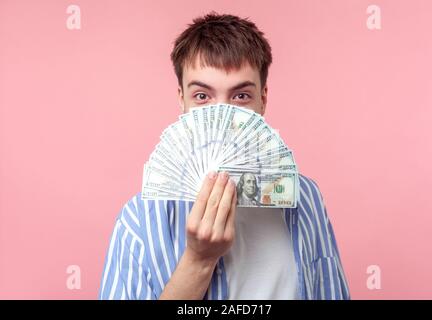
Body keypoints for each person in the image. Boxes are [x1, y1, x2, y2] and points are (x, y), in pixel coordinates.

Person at [99, 12, 350, 300]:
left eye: (240, 96)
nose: (222, 116)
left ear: (263, 99)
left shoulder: (305, 197)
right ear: (181, 99)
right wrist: (199, 259)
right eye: (203, 97)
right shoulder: (138, 222)